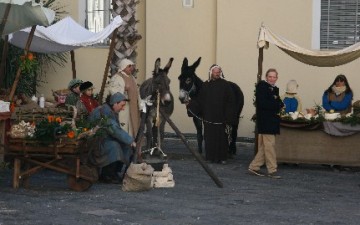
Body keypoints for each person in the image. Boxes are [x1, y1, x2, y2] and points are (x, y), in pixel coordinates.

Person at [187, 64, 236, 164]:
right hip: (209, 117)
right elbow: (200, 101)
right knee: (209, 138)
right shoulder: (205, 85)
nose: (217, 73)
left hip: (222, 118)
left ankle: (222, 158)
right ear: (211, 73)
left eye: (219, 72)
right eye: (215, 72)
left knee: (222, 138)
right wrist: (190, 104)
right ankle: (210, 157)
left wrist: (228, 116)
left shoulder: (226, 85)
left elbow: (231, 101)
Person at [88, 92, 136, 184]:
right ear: (115, 103)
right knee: (114, 146)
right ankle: (107, 175)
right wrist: (131, 141)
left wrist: (129, 142)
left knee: (125, 145)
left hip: (104, 138)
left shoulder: (110, 111)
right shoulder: (104, 112)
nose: (123, 108)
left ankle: (114, 172)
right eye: (122, 105)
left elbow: (115, 130)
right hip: (95, 142)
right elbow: (114, 129)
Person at [248, 68, 284, 179]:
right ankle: (272, 170)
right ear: (266, 77)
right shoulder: (262, 87)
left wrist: (279, 104)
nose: (272, 79)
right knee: (270, 146)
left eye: (274, 77)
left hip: (272, 121)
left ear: (277, 78)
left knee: (265, 147)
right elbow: (264, 103)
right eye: (270, 76)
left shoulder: (274, 89)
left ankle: (254, 167)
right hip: (266, 121)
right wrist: (278, 105)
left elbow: (278, 102)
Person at [106, 58, 140, 137]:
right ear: (123, 67)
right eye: (129, 66)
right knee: (124, 125)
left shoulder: (132, 78)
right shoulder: (117, 77)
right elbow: (113, 90)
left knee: (133, 126)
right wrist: (123, 89)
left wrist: (140, 103)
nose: (131, 68)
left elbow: (137, 91)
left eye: (131, 66)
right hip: (123, 107)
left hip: (133, 106)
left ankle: (131, 142)